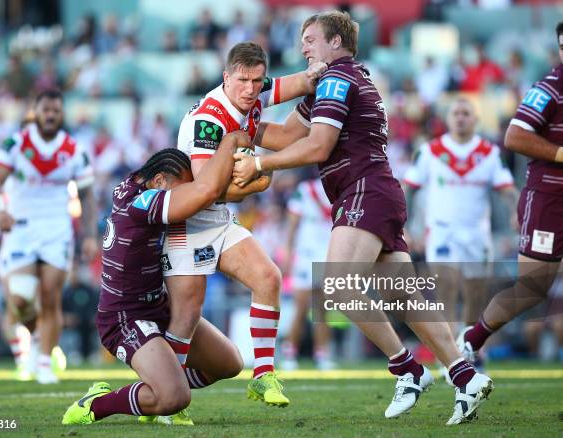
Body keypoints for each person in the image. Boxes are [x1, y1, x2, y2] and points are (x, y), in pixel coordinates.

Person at [233, 11, 493, 425]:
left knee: (336, 289)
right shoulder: (340, 81)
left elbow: (318, 147)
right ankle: (465, 376)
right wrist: (237, 121)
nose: (304, 47)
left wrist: (261, 166)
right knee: (402, 296)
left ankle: (407, 370)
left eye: (311, 39)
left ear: (335, 43)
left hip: (363, 189)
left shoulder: (338, 79)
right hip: (376, 191)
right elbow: (284, 135)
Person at [164, 41, 326, 408]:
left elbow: (290, 110)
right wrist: (261, 179)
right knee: (187, 315)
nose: (251, 89)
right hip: (187, 221)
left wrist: (320, 81)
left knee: (267, 278)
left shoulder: (252, 96)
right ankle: (165, 393)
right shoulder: (209, 119)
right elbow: (206, 189)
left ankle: (263, 375)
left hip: (218, 219)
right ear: (226, 77)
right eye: (242, 80)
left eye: (257, 80)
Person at [62, 133, 249, 426]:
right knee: (174, 398)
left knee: (229, 363)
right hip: (125, 317)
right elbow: (203, 193)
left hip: (159, 306)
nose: (184, 195)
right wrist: (229, 147)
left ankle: (160, 386)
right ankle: (97, 404)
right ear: (160, 181)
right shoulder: (142, 203)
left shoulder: (139, 182)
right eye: (180, 188)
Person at [0, 89, 97, 384]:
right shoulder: (15, 144)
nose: (50, 115)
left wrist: (89, 234)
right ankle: (36, 337)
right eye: (45, 109)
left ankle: (45, 364)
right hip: (20, 229)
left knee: (50, 297)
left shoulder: (74, 149)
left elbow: (87, 196)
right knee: (20, 300)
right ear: (34, 112)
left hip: (56, 230)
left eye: (56, 111)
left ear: (61, 114)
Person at [457, 22, 563, 365]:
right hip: (550, 198)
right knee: (532, 289)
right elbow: (514, 137)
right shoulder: (549, 88)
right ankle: (471, 340)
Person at [403, 97, 518, 339]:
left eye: (466, 113)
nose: (460, 118)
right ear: (447, 119)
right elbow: (409, 188)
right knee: (445, 292)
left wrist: (517, 213)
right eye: (456, 113)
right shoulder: (429, 151)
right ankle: (450, 357)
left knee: (475, 297)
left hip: (477, 232)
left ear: (476, 119)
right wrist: (403, 225)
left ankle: (470, 348)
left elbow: (507, 188)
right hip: (441, 231)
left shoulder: (489, 153)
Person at [280, 176, 335, 371]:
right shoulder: (305, 189)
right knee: (301, 306)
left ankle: (322, 353)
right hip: (306, 253)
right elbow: (292, 223)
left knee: (321, 309)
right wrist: (287, 250)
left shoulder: (338, 185)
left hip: (327, 252)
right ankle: (289, 353)